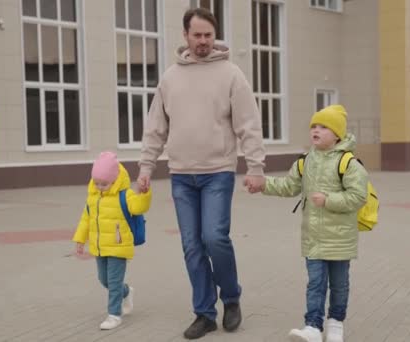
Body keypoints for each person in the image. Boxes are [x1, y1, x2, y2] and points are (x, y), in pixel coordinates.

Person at [136, 7, 266, 340]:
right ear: (186, 36)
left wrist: (256, 167)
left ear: (215, 36)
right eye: (198, 35)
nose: (204, 41)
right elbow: (155, 127)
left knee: (214, 238)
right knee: (192, 247)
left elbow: (248, 124)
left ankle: (232, 298)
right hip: (181, 175)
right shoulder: (170, 77)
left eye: (209, 35)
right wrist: (146, 167)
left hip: (217, 173)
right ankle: (205, 313)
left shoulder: (232, 74)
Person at [252, 105, 368, 342]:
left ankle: (335, 324)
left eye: (323, 127)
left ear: (337, 134)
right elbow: (289, 187)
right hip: (313, 237)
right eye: (314, 126)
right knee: (315, 283)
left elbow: (358, 196)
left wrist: (329, 200)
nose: (316, 130)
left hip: (340, 239)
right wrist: (263, 184)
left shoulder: (348, 163)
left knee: (339, 285)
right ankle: (313, 327)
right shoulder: (305, 162)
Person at [72, 151, 152, 331]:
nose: (100, 187)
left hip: (118, 245)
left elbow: (140, 207)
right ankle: (126, 292)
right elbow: (86, 219)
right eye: (97, 183)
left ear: (115, 179)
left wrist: (145, 194)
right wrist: (80, 239)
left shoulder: (126, 195)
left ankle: (114, 315)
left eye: (104, 184)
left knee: (113, 282)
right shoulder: (93, 197)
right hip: (99, 246)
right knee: (104, 279)